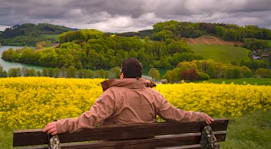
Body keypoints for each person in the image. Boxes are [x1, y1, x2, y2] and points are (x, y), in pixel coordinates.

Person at [43, 57, 213, 136]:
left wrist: (62, 125)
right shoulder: (154, 94)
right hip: (146, 144)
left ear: (122, 75)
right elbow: (176, 115)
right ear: (140, 76)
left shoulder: (112, 94)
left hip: (115, 147)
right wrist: (200, 116)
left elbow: (90, 118)